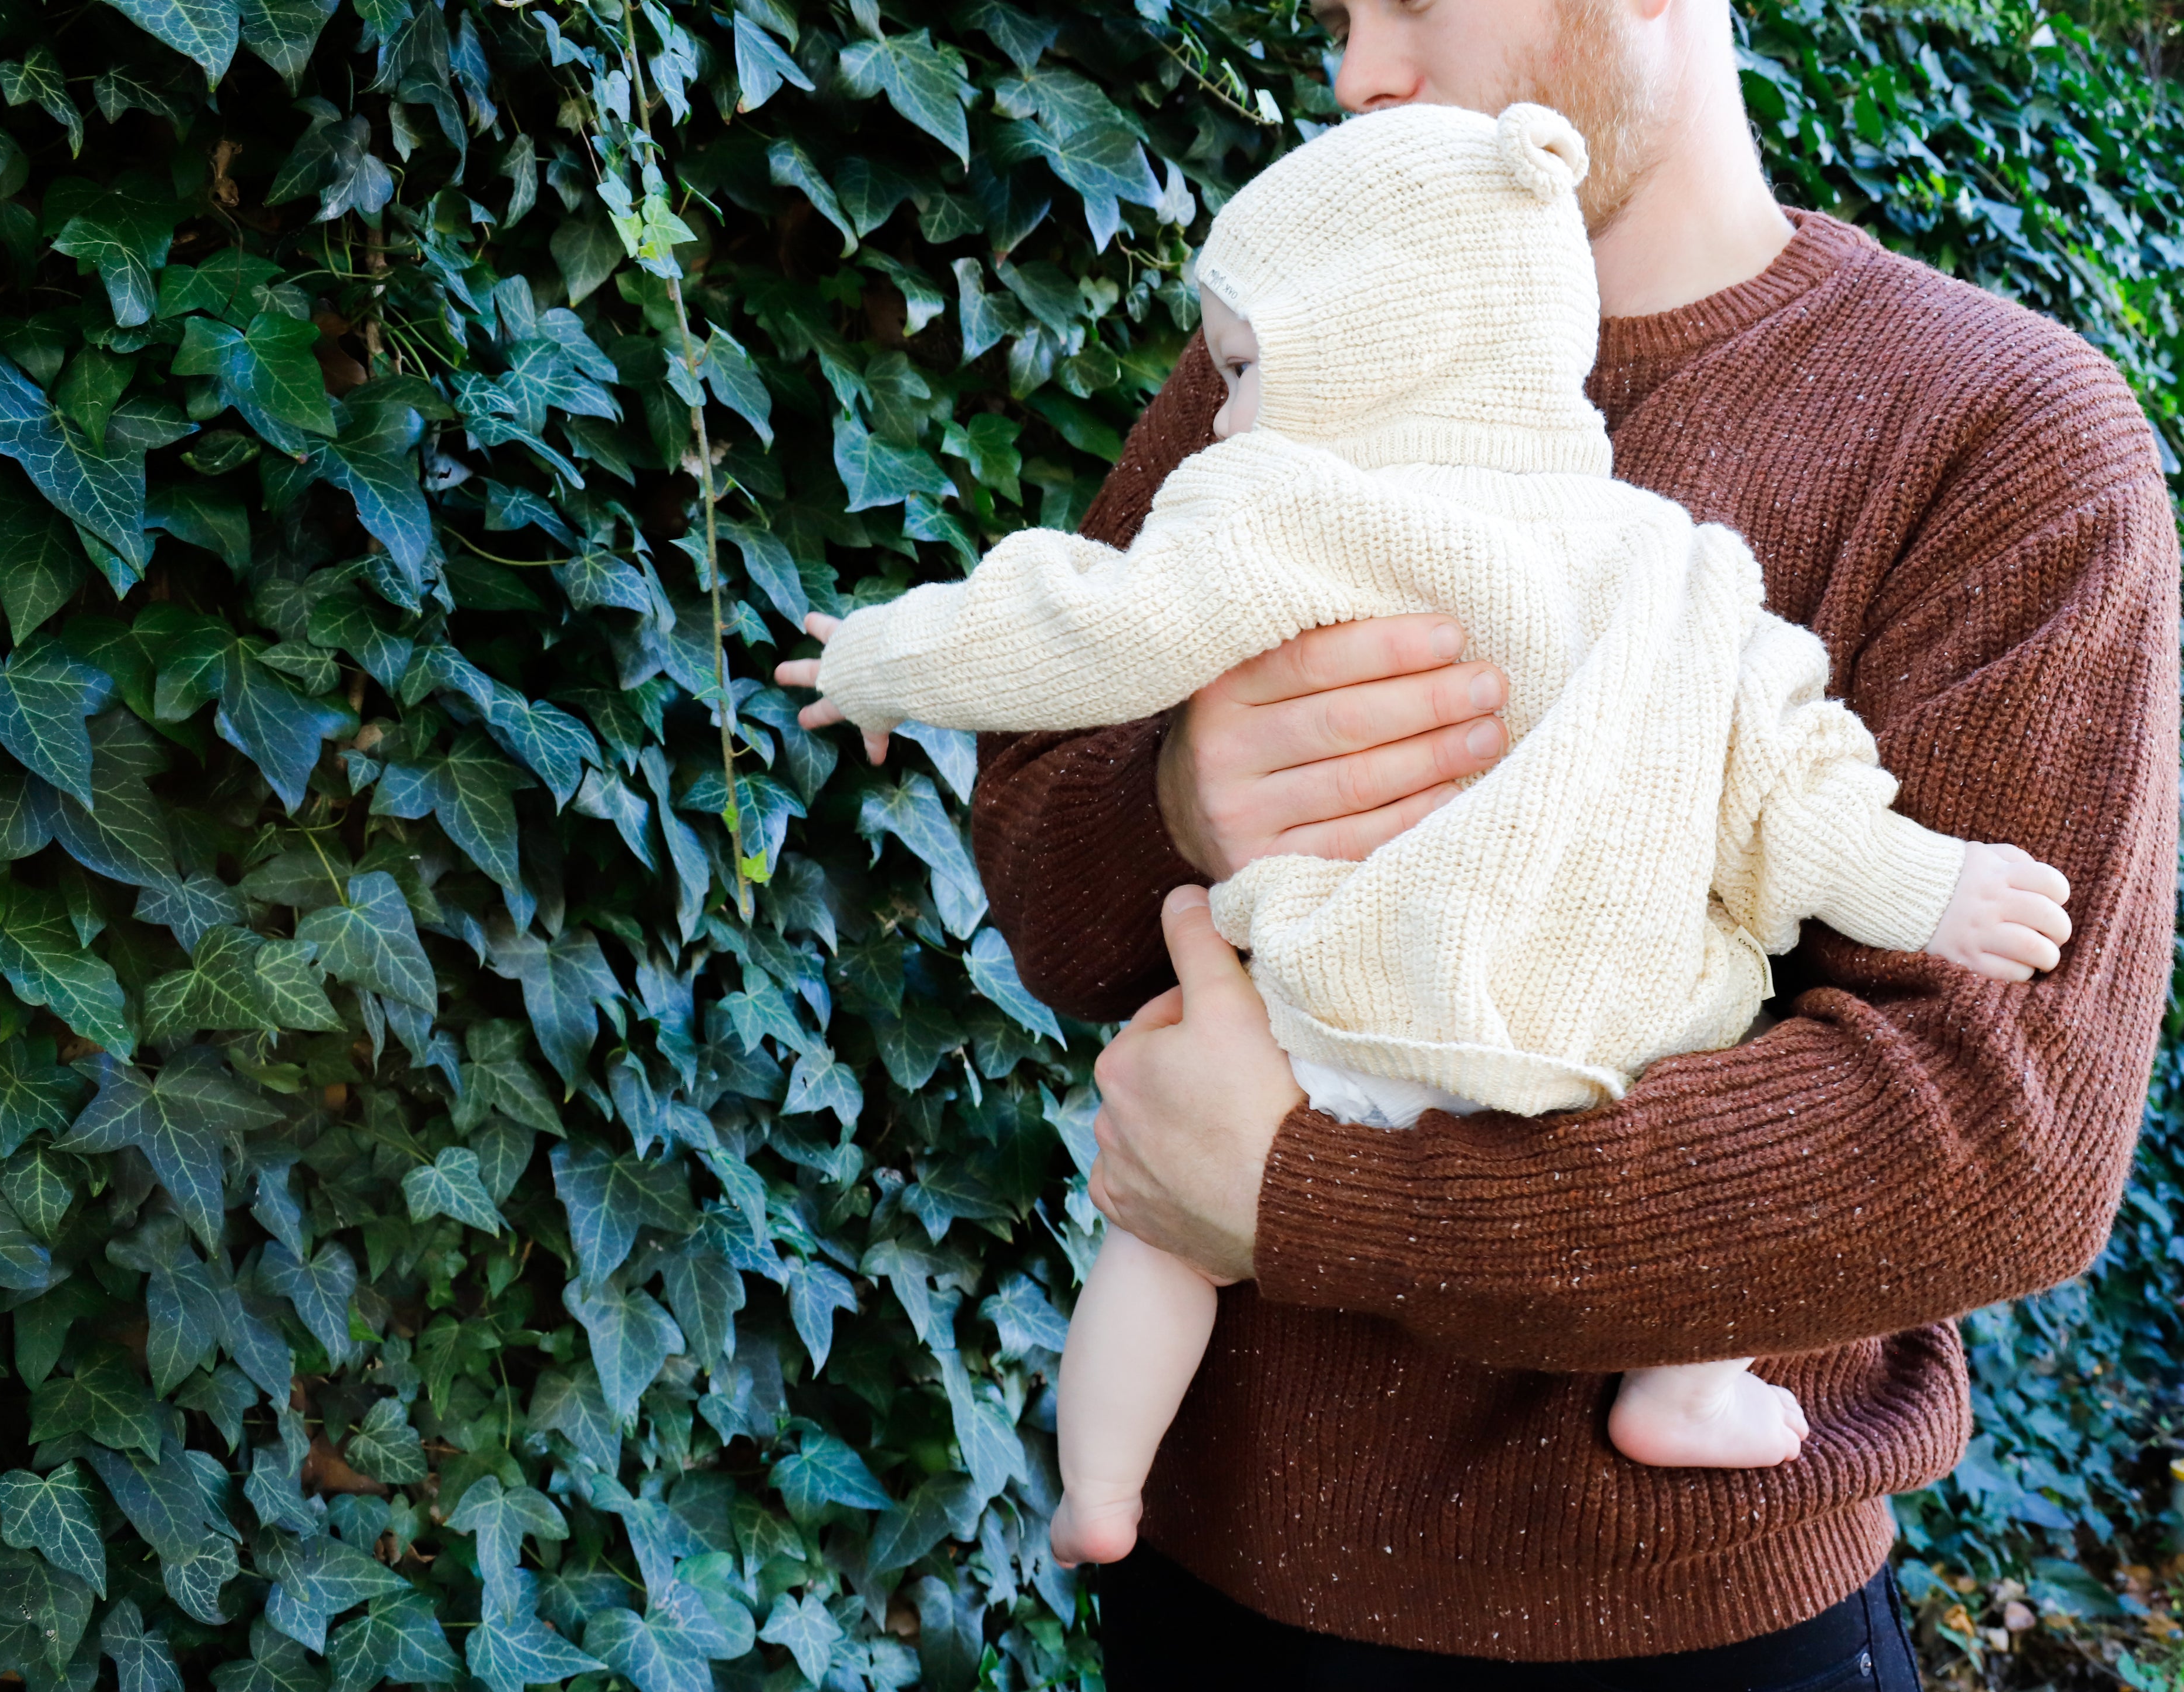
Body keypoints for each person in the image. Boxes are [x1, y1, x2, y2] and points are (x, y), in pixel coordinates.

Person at [927, 1, 2175, 1687]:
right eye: (1338, 18)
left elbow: (1995, 1137)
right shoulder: (1313, 330)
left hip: (1689, 1633)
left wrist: (1320, 1202)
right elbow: (1043, 875)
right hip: (1200, 1589)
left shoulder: (2001, 432)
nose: (1358, 71)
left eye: (1416, 3)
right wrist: (1177, 802)